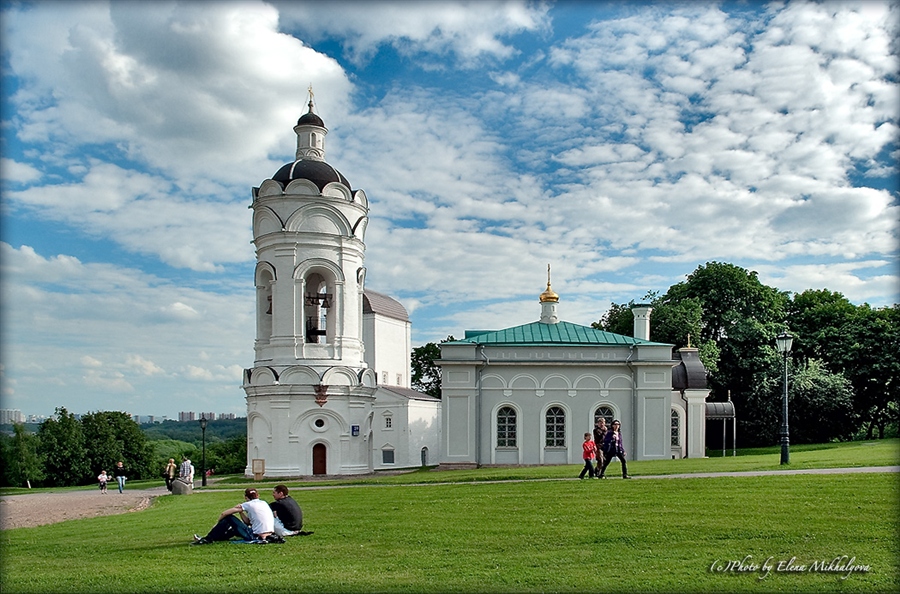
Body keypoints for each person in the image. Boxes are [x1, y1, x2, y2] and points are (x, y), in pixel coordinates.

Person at [192, 488, 277, 545]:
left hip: (255, 535)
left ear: (246, 497)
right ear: (258, 496)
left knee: (229, 518)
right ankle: (217, 538)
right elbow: (247, 522)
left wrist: (217, 524)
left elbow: (224, 514)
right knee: (234, 530)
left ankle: (208, 539)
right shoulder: (263, 503)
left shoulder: (248, 504)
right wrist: (241, 513)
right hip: (268, 533)